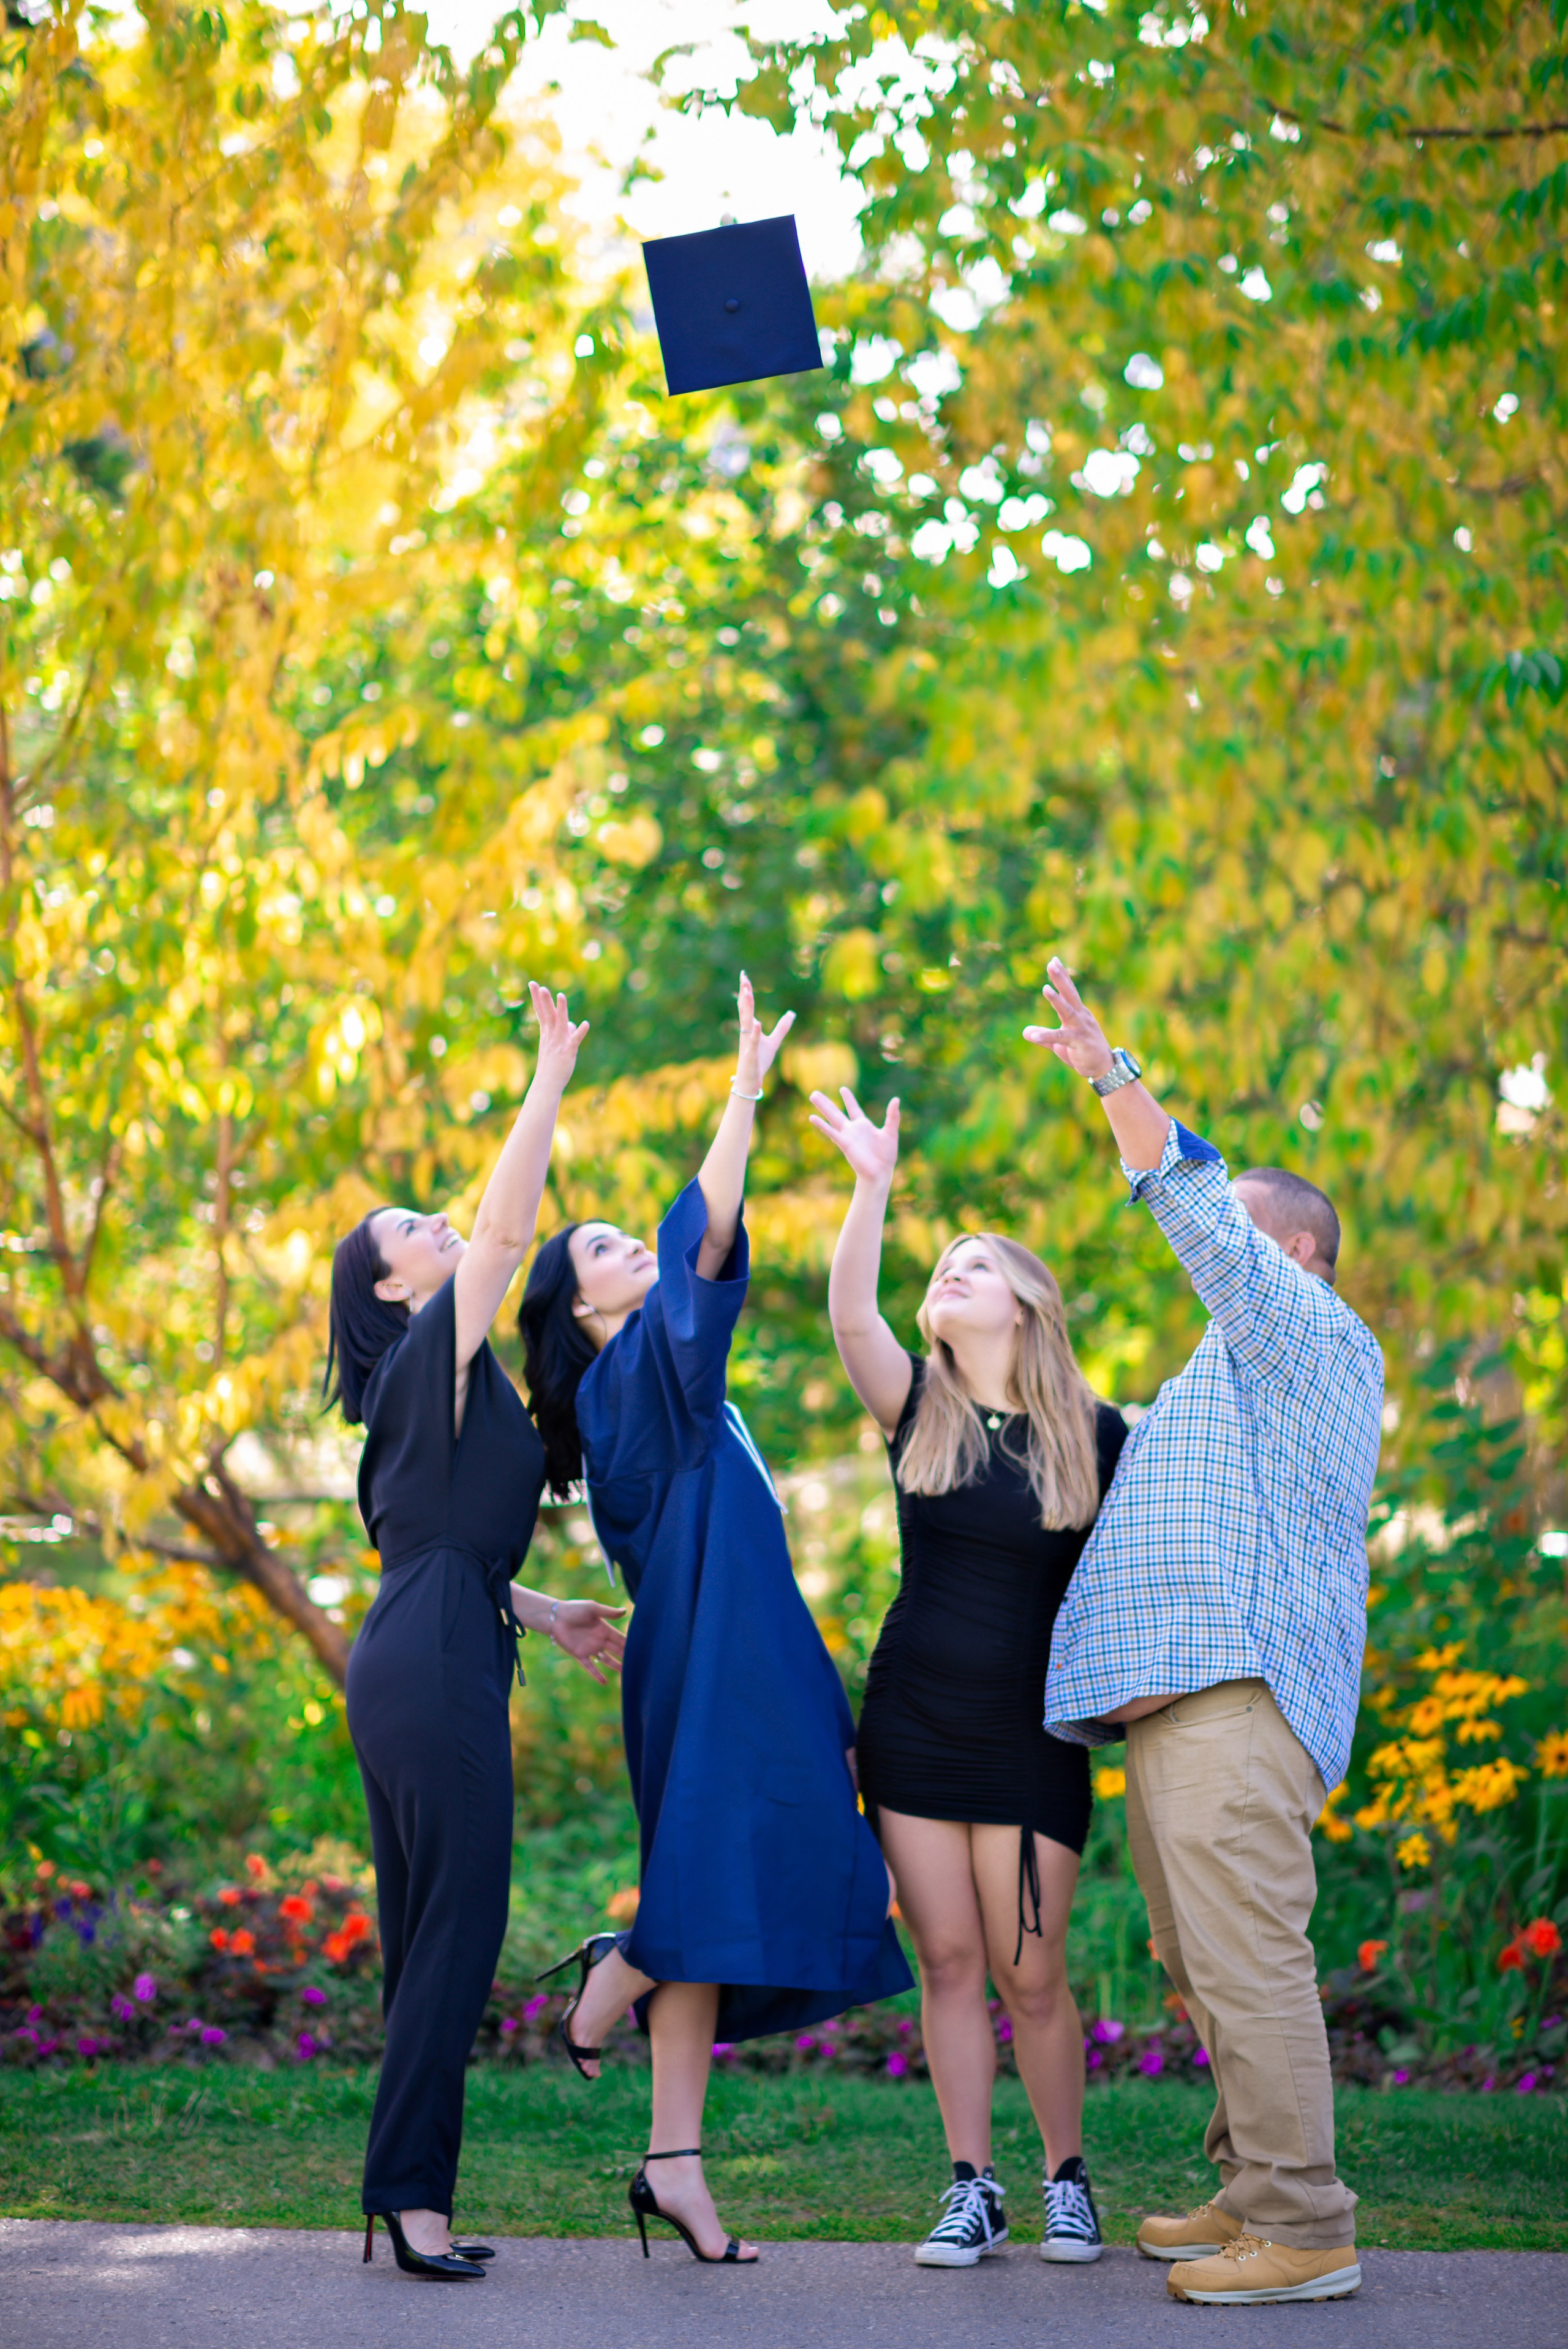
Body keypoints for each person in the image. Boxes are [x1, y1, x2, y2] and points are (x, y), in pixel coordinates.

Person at [519, 976, 911, 2269]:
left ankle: (672, 2164)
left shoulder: (676, 1385)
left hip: (745, 1649)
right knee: (747, 1875)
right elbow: (706, 1229)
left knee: (718, 1876)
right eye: (607, 1251)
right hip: (712, 1665)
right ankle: (619, 1973)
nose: (638, 1250)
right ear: (587, 1310)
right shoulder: (638, 1377)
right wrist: (741, 1093)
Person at [1027, 956, 1383, 2310]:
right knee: (1205, 1961)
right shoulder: (1229, 1374)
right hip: (1185, 1703)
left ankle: (1303, 2227)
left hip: (1238, 1697)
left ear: (1289, 1253)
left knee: (1248, 1959)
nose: (1202, 1254)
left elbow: (1193, 1203)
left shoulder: (1309, 1334)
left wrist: (1111, 1078)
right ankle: (1249, 2186)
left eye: (1233, 1236)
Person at [328, 984, 627, 2282]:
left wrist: (544, 1611)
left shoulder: (433, 1386)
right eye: (413, 1228)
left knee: (429, 1933)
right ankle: (411, 2203)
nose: (441, 1224)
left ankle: (405, 2195)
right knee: (456, 1927)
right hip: (432, 1656)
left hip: (427, 1638)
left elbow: (436, 1547)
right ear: (391, 1286)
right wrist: (547, 1078)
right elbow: (505, 1228)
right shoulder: (427, 1356)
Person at [809, 1083, 1127, 2272]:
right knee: (946, 1962)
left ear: (1026, 1301)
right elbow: (849, 1315)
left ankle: (1065, 2181)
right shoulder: (920, 1407)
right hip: (913, 1728)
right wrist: (872, 1188)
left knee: (1029, 1974)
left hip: (1030, 1738)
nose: (949, 1274)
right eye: (941, 1267)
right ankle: (971, 2186)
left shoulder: (1098, 1434)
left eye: (972, 1264)